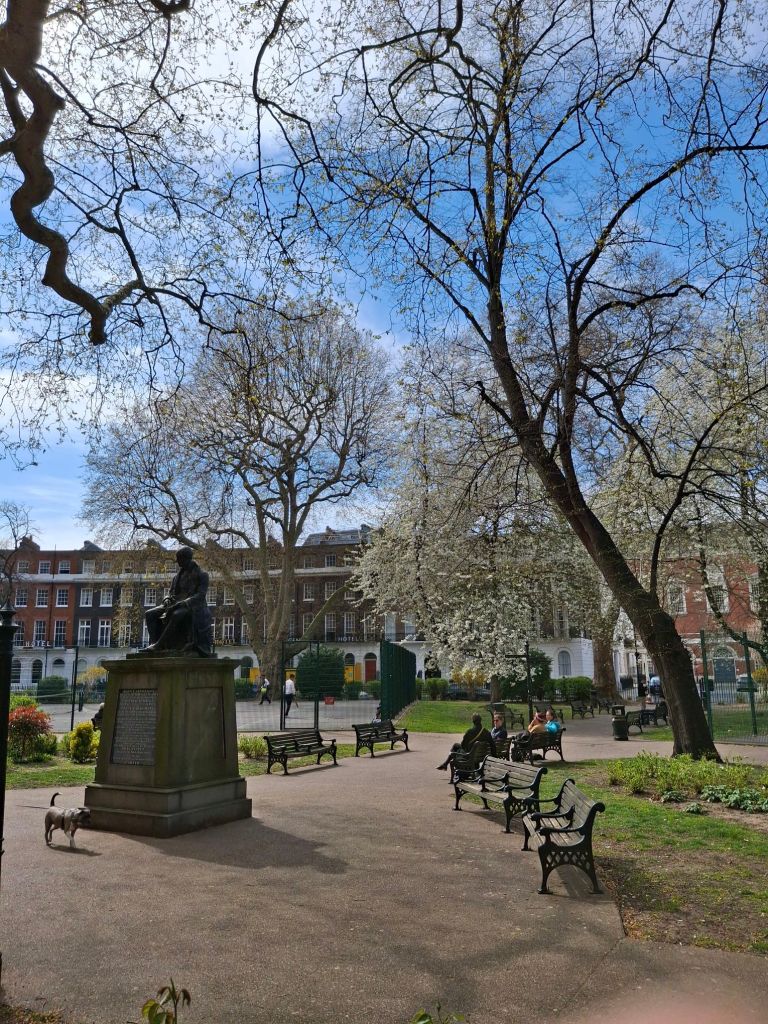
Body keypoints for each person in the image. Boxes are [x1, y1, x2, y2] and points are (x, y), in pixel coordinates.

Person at [144, 546, 214, 655]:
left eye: (179, 559)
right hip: (173, 602)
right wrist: (167, 599)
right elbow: (170, 593)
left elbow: (200, 595)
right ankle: (155, 644)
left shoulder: (202, 575)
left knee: (176, 614)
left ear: (186, 558)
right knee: (149, 614)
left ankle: (159, 645)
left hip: (192, 606)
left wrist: (184, 603)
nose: (177, 562)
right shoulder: (177, 577)